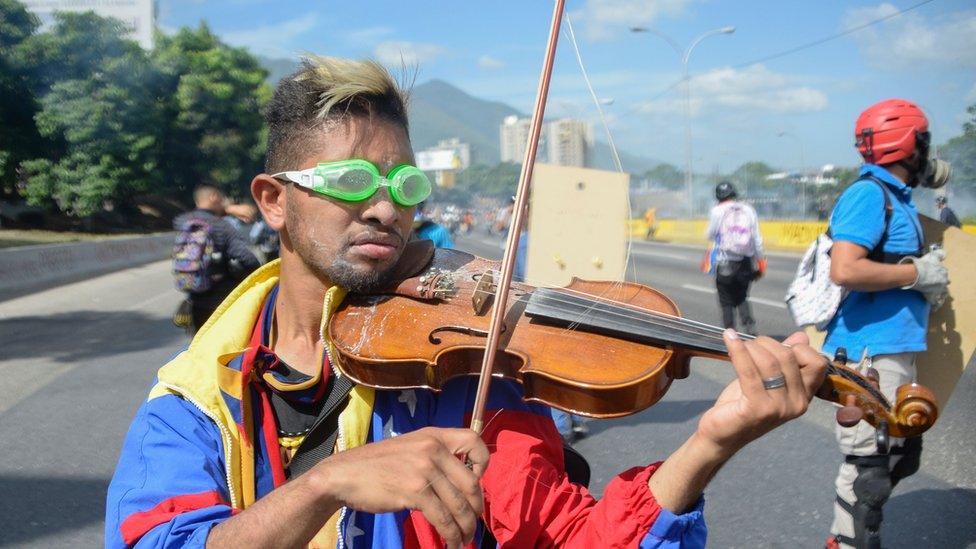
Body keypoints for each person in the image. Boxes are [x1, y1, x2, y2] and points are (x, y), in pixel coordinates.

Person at [107, 56, 828, 549]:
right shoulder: (195, 397)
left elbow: (572, 537)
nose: (388, 209)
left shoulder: (466, 381)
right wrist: (327, 485)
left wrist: (710, 442)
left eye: (406, 185)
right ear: (274, 199)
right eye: (354, 180)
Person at [824, 98, 950, 549]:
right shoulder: (867, 194)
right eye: (925, 141)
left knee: (904, 456)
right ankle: (845, 543)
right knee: (868, 473)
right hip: (868, 352)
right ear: (912, 144)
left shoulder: (899, 199)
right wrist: (915, 274)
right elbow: (846, 269)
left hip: (895, 346)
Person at [172, 185, 261, 333]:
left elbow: (178, 220)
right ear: (214, 197)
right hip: (222, 301)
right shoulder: (222, 226)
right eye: (222, 199)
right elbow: (247, 258)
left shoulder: (182, 222)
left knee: (199, 342)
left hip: (195, 298)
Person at [705, 181, 764, 335]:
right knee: (742, 296)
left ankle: (730, 334)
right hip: (745, 262)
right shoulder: (748, 209)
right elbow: (757, 239)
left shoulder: (717, 211)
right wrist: (760, 261)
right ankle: (749, 328)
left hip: (725, 262)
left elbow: (710, 234)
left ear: (718, 196)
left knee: (726, 301)